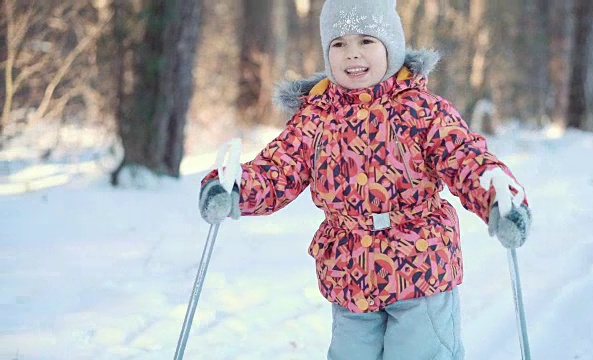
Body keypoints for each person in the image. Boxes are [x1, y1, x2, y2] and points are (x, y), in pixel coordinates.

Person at [199, 0, 531, 359]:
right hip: (350, 273)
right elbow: (279, 167)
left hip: (421, 268)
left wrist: (500, 200)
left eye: (366, 41)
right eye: (338, 44)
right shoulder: (317, 117)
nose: (352, 55)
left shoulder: (423, 110)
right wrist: (233, 187)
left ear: (391, 44)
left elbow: (465, 157)